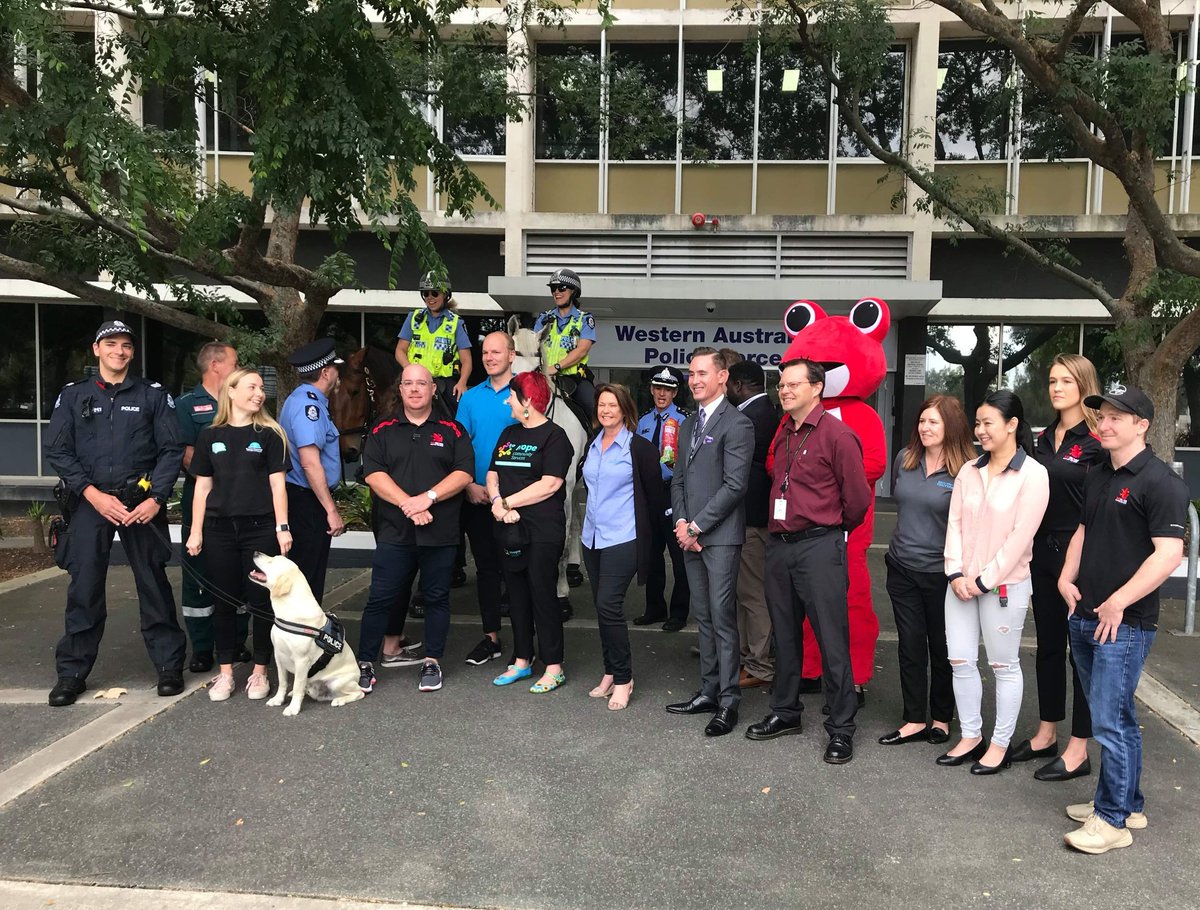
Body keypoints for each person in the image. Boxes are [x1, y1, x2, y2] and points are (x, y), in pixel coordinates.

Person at [1058, 384, 1187, 854]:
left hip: (1125, 623)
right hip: (1085, 611)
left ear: (1142, 425)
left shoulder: (1161, 483)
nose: (1105, 425)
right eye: (1101, 417)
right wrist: (1065, 578)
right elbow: (1084, 530)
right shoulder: (1096, 474)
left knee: (1110, 722)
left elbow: (1168, 555)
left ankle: (1111, 821)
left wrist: (1118, 602)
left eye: (1116, 417)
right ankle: (1127, 803)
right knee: (1117, 716)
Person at [45, 320, 187, 707]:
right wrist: (91, 494)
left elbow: (171, 450)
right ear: (96, 349)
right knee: (84, 588)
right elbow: (58, 450)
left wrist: (157, 498)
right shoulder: (74, 396)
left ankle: (169, 667)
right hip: (92, 504)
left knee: (153, 584)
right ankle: (72, 673)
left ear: (132, 353)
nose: (119, 351)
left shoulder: (153, 395)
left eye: (126, 345)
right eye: (111, 344)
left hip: (141, 503)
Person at [747, 358, 871, 764]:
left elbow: (857, 501)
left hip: (819, 545)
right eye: (781, 384)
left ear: (817, 388)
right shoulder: (784, 431)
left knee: (832, 640)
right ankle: (785, 713)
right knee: (785, 635)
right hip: (780, 546)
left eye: (793, 384)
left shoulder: (837, 435)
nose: (783, 390)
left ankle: (841, 728)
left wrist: (828, 531)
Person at [940, 390, 1049, 774]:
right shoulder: (969, 471)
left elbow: (1021, 538)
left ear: (1012, 425)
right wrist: (955, 571)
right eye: (978, 423)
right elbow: (953, 524)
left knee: (1003, 665)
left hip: (1003, 586)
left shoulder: (1033, 475)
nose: (980, 430)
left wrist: (983, 581)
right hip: (959, 584)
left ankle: (1000, 743)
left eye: (988, 423)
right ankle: (971, 735)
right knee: (960, 660)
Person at [355, 364, 474, 695]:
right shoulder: (383, 430)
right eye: (408, 383)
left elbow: (464, 473)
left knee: (437, 597)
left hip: (440, 533)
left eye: (421, 383)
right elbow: (374, 474)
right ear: (400, 389)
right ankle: (365, 663)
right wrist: (410, 504)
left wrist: (427, 499)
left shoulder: (453, 429)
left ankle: (432, 661)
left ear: (433, 389)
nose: (415, 389)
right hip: (395, 532)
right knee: (380, 598)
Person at [1014, 354, 1104, 781]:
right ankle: (1046, 731)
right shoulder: (1044, 436)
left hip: (1081, 555)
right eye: (1052, 380)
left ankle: (1078, 748)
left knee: (1081, 653)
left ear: (1084, 384)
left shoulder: (1097, 438)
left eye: (1066, 381)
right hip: (1042, 553)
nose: (1056, 388)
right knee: (1048, 646)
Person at [185, 369, 292, 702]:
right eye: (251, 387)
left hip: (259, 529)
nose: (259, 393)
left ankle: (260, 672)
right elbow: (202, 487)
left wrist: (282, 526)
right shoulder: (209, 435)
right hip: (219, 530)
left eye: (262, 388)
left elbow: (278, 485)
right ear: (230, 392)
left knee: (261, 602)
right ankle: (227, 672)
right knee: (224, 602)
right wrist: (195, 531)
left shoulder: (271, 434)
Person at [664, 347, 754, 737]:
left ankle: (730, 701)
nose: (694, 380)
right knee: (702, 616)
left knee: (722, 618)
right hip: (691, 535)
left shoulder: (739, 424)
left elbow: (735, 486)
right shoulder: (686, 425)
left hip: (719, 538)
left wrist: (697, 526)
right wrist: (682, 522)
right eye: (691, 374)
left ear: (722, 377)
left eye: (702, 373)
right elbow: (679, 479)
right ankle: (709, 690)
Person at [878, 395, 975, 747]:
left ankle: (941, 718)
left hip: (942, 574)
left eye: (933, 422)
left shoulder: (967, 469)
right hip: (902, 567)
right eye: (922, 421)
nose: (925, 428)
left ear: (951, 426)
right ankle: (914, 718)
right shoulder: (905, 459)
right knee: (910, 645)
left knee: (942, 648)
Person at [581, 384, 667, 711]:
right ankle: (609, 670)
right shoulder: (593, 444)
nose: (605, 410)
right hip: (592, 538)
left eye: (612, 405)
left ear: (624, 408)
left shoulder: (639, 447)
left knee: (609, 604)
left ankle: (623, 678)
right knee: (602, 609)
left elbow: (656, 497)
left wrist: (658, 543)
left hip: (624, 538)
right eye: (601, 405)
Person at [487, 371, 574, 693]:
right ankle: (522, 659)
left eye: (512, 395)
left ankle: (553, 666)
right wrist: (497, 501)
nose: (507, 400)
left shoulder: (555, 437)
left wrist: (507, 503)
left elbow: (549, 485)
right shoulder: (508, 433)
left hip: (542, 530)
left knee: (542, 594)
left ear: (527, 401)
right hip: (508, 529)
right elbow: (492, 471)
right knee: (516, 595)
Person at [176, 341, 249, 673]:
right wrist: (221, 475)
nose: (238, 367)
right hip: (204, 502)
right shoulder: (187, 406)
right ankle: (204, 647)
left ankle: (236, 642)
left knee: (240, 572)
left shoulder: (241, 402)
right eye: (235, 362)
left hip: (241, 504)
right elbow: (185, 453)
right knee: (199, 573)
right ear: (217, 366)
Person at [455, 331, 518, 666]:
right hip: (478, 499)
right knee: (487, 570)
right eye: (485, 353)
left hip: (517, 502)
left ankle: (526, 642)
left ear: (511, 355)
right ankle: (490, 637)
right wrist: (467, 485)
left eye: (496, 352)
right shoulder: (470, 397)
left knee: (520, 570)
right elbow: (459, 446)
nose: (490, 357)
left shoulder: (526, 392)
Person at [726, 360, 780, 689]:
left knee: (753, 595)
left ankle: (760, 666)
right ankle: (748, 658)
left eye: (728, 383)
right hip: (750, 518)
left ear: (740, 385)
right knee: (746, 593)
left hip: (752, 520)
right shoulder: (762, 412)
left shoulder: (751, 418)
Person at [279, 338, 346, 603]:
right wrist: (331, 510)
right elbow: (309, 462)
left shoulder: (299, 400)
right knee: (308, 577)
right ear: (326, 372)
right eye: (335, 369)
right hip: (307, 501)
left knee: (304, 574)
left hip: (302, 497)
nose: (337, 374)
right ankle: (304, 637)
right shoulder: (310, 407)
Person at [633, 366, 690, 631]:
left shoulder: (685, 421)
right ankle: (654, 608)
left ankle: (678, 612)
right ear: (651, 389)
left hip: (674, 493)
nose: (661, 393)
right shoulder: (643, 422)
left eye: (667, 389)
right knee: (651, 555)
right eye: (658, 388)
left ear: (676, 392)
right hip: (648, 495)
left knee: (679, 558)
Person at [394, 272, 473, 417]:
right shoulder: (414, 318)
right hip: (414, 381)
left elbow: (466, 360)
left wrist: (462, 382)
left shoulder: (456, 323)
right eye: (426, 293)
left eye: (435, 293)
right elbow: (400, 350)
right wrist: (409, 369)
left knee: (460, 414)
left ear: (445, 294)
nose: (430, 297)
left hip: (443, 383)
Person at [533, 268, 597, 421]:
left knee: (594, 406)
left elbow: (582, 350)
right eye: (553, 289)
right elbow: (533, 347)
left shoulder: (584, 319)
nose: (557, 292)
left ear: (573, 291)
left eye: (561, 288)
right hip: (543, 379)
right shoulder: (543, 318)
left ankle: (595, 443)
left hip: (574, 379)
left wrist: (555, 368)